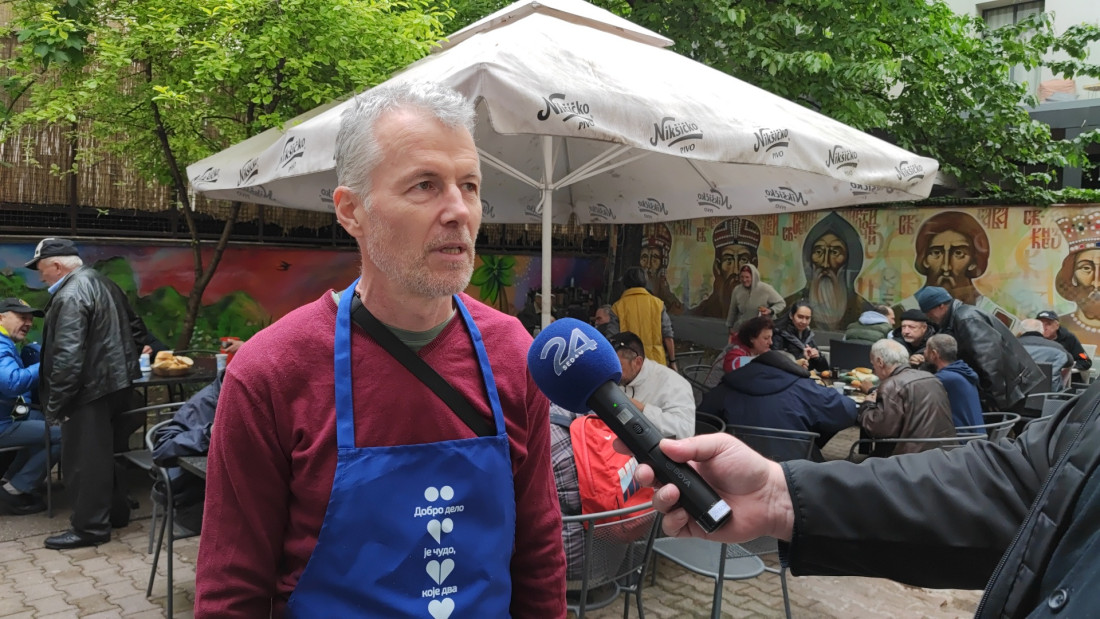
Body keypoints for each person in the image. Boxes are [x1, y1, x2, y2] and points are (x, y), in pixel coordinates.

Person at [194, 83, 565, 617]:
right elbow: (231, 592)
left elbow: (539, 557)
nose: (458, 210)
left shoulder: (512, 352)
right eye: (424, 186)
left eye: (469, 185)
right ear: (351, 212)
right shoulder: (271, 371)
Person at [29, 238, 147, 549]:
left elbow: (67, 357)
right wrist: (120, 368)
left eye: (41, 271)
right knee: (107, 455)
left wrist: (56, 405)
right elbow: (137, 330)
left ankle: (90, 529)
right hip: (118, 387)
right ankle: (117, 515)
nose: (41, 278)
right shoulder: (104, 283)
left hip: (87, 393)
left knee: (84, 462)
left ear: (57, 266)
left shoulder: (70, 295)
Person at [699, 350, 856, 460]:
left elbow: (701, 424)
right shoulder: (804, 388)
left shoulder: (727, 387)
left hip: (736, 467)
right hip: (796, 470)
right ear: (790, 367)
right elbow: (848, 411)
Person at [916, 285, 1043, 414]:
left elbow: (989, 360)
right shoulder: (958, 318)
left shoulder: (966, 318)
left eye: (928, 312)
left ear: (941, 306)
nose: (928, 316)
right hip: (1009, 385)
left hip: (1009, 389)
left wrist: (995, 400)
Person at [0, 298, 62, 515]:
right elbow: (12, 383)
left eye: (29, 318)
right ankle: (16, 489)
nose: (27, 322)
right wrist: (48, 361)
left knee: (45, 421)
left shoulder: (6, 342)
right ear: (1, 317)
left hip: (10, 417)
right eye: (21, 317)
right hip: (3, 425)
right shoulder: (0, 345)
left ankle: (8, 481)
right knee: (66, 434)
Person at [856, 339, 956, 457]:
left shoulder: (892, 385)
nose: (874, 372)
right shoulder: (930, 377)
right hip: (944, 451)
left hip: (911, 457)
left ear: (880, 362)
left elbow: (879, 429)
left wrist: (867, 405)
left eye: (873, 365)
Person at [783, 213, 872, 331]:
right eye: (819, 252)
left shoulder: (864, 310)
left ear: (849, 260)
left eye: (835, 252)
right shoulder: (788, 305)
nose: (825, 264)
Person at [607, 332, 694, 440]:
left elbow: (685, 430)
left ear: (637, 362)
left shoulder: (673, 382)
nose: (612, 371)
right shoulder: (617, 378)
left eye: (618, 366)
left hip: (656, 451)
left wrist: (643, 410)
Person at [691, 217, 761, 319]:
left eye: (744, 260)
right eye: (729, 260)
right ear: (717, 267)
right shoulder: (702, 313)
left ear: (754, 264)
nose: (736, 270)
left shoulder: (763, 311)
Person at [610, 266, 677, 368]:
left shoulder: (617, 307)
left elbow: (612, 338)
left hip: (629, 364)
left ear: (625, 283)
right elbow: (667, 335)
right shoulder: (658, 304)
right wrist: (672, 361)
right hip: (656, 363)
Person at [923, 334, 984, 431]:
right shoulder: (963, 371)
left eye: (926, 349)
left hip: (962, 439)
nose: (924, 352)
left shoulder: (944, 378)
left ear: (934, 354)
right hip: (977, 433)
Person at [725, 263, 785, 333]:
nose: (744, 280)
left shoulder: (766, 289)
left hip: (763, 330)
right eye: (742, 277)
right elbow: (733, 310)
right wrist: (730, 326)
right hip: (744, 329)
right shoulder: (737, 290)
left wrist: (771, 310)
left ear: (754, 277)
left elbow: (781, 303)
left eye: (747, 277)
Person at [770, 302, 829, 373]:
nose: (804, 321)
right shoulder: (779, 334)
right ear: (791, 316)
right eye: (800, 317)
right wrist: (802, 357)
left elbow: (824, 370)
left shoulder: (808, 336)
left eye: (807, 318)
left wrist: (818, 357)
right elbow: (775, 363)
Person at [1016, 318, 1073, 392]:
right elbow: (1070, 362)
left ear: (1020, 332)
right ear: (1042, 331)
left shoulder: (1009, 345)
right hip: (1049, 397)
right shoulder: (1057, 348)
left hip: (1015, 397)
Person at [1036, 310, 1092, 376]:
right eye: (1040, 324)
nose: (1044, 327)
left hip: (1067, 380)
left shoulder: (1069, 339)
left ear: (1057, 325)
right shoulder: (1033, 339)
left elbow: (1085, 361)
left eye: (1048, 324)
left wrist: (1065, 368)